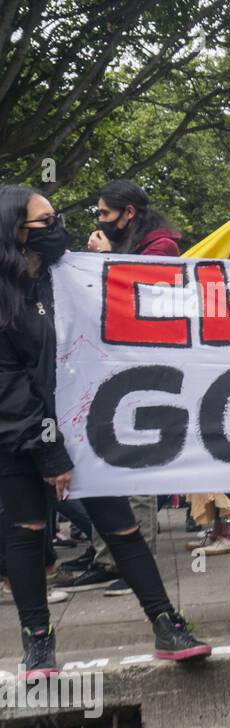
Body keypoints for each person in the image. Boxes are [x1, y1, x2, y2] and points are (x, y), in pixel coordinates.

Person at [0, 185, 208, 677]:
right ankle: (38, 641)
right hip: (20, 435)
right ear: (15, 231)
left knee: (123, 528)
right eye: (44, 222)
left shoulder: (68, 278)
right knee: (27, 531)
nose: (58, 229)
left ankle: (166, 623)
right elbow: (9, 384)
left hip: (82, 430)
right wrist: (49, 452)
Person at [57, 179, 179, 595]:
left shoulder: (161, 249)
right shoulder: (130, 245)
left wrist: (107, 262)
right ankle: (107, 552)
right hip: (112, 369)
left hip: (144, 372)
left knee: (134, 468)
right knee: (104, 464)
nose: (100, 221)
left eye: (106, 214)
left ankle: (127, 562)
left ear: (128, 214)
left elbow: (144, 298)